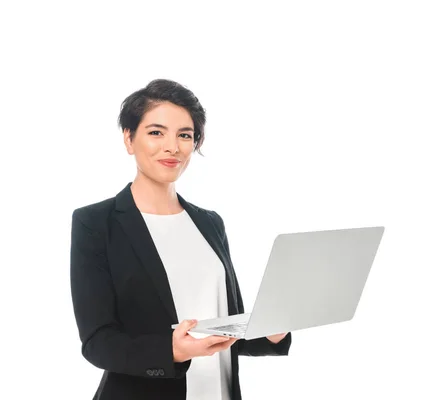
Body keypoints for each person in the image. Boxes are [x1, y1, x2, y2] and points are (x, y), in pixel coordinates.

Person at [70, 79, 292, 400]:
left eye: (185, 135)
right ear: (129, 139)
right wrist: (170, 350)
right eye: (156, 132)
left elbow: (226, 329)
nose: (172, 146)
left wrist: (271, 331)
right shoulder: (96, 223)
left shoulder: (210, 222)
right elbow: (97, 342)